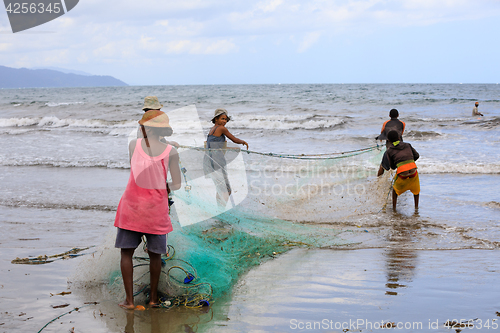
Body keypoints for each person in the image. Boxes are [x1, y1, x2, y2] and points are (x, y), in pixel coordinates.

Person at [114, 109, 181, 309]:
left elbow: (134, 168)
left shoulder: (133, 145)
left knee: (126, 254)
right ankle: (152, 299)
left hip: (131, 208)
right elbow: (176, 184)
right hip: (156, 211)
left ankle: (129, 301)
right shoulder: (172, 152)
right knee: (155, 256)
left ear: (146, 127)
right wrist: (161, 186)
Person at [204, 108, 248, 208]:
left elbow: (213, 145)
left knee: (220, 187)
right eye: (222, 119)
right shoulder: (221, 128)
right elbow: (234, 139)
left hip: (210, 162)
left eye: (225, 119)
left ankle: (219, 209)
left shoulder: (212, 130)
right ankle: (221, 209)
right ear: (216, 119)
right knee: (227, 189)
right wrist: (243, 142)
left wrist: (230, 148)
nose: (224, 121)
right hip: (218, 162)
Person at [377, 130, 420, 211]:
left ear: (388, 140)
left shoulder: (389, 151)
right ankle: (416, 208)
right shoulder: (408, 145)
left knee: (394, 191)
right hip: (414, 172)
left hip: (402, 174)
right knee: (416, 191)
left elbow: (392, 167)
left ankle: (394, 209)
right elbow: (417, 155)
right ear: (399, 137)